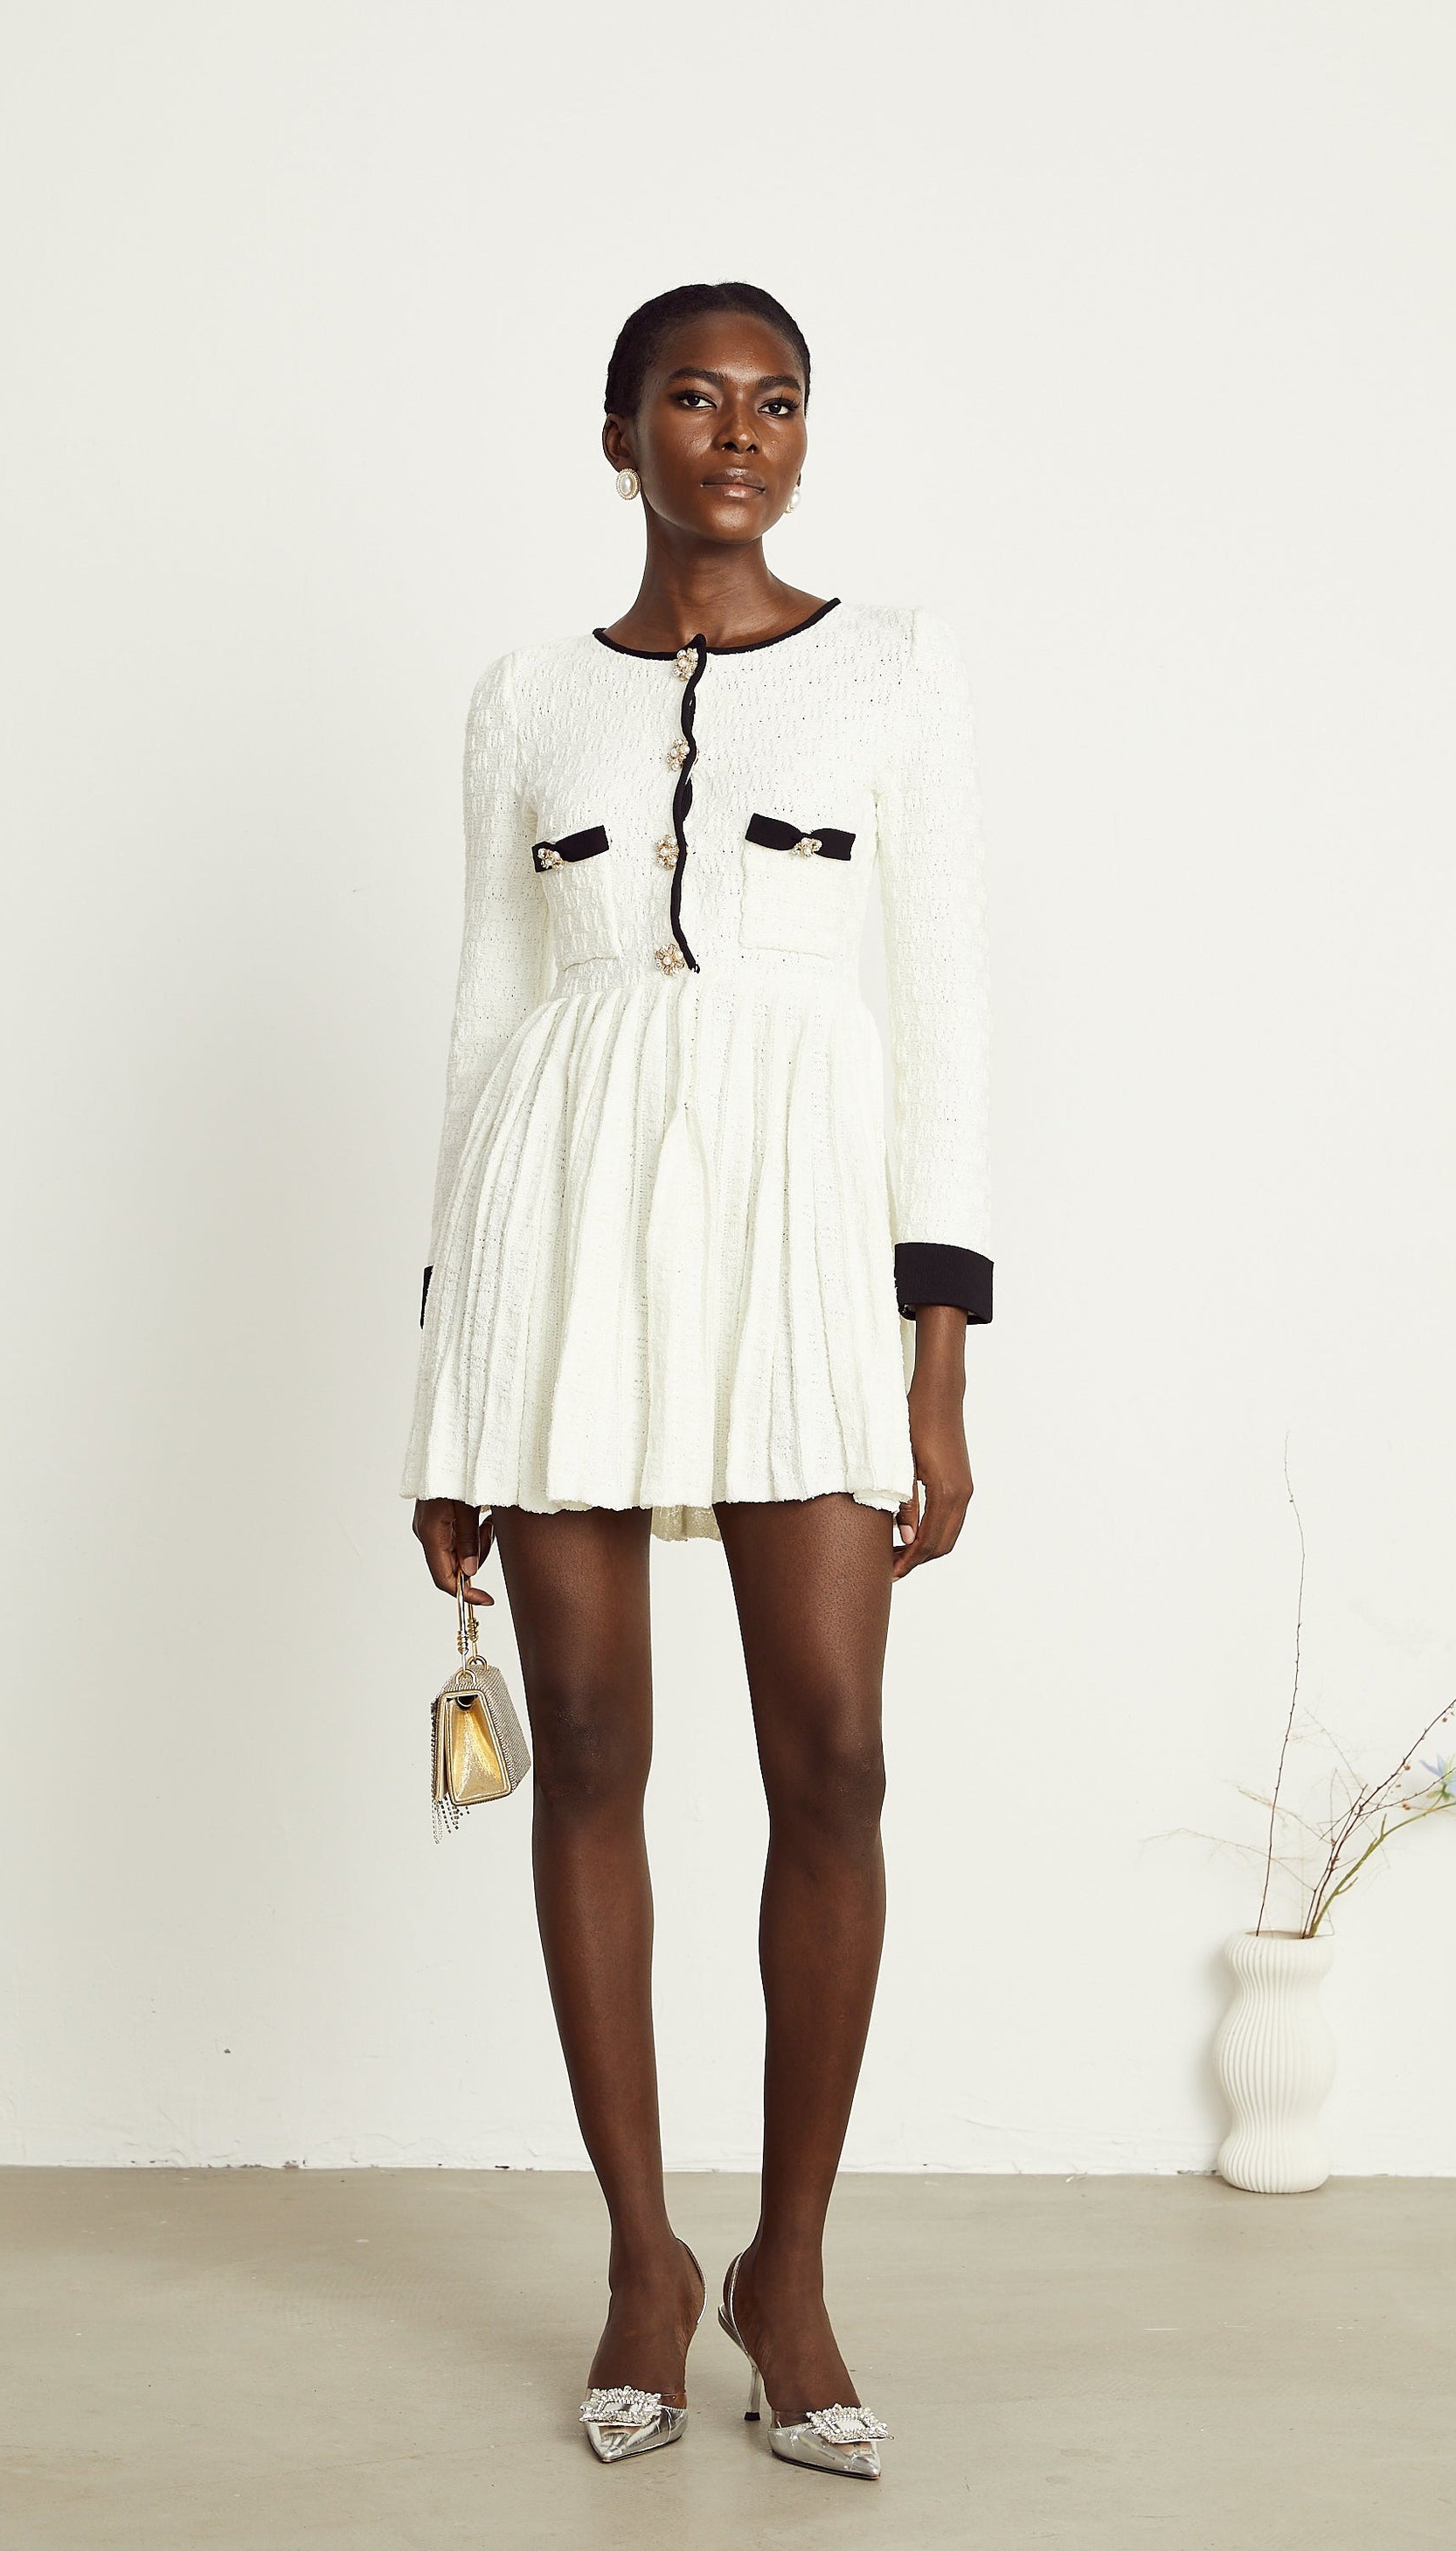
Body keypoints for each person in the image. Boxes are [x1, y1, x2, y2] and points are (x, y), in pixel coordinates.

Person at [401, 280, 993, 2480]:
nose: (737, 433)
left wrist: (936, 1359)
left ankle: (791, 2266)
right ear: (618, 433)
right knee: (588, 1752)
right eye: (691, 397)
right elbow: (485, 1018)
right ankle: (643, 2259)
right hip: (558, 1237)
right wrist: (449, 1369)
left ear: (804, 438)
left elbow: (943, 1020)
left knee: (831, 1753)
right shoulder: (521, 697)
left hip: (804, 1234)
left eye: (776, 401)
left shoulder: (896, 669)